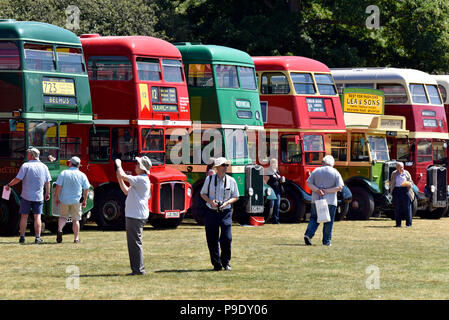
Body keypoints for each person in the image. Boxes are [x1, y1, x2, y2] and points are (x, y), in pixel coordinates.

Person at [5, 147, 51, 244]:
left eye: (28, 154)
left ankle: (22, 237)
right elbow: (47, 182)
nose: (27, 156)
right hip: (38, 196)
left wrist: (9, 185)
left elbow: (18, 179)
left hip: (26, 196)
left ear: (32, 155)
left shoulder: (25, 165)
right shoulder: (44, 166)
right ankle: (37, 237)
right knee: (37, 217)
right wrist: (48, 193)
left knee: (24, 216)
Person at [200, 157, 239, 271]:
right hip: (211, 212)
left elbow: (236, 196)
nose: (226, 167)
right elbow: (203, 194)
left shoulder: (231, 181)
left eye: (227, 165)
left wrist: (226, 203)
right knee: (212, 239)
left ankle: (226, 262)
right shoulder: (209, 179)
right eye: (223, 165)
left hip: (225, 212)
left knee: (227, 238)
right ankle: (216, 264)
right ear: (217, 167)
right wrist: (211, 202)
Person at [115, 156, 152, 276]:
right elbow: (126, 190)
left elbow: (123, 175)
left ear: (142, 168)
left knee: (135, 243)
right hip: (134, 214)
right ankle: (136, 269)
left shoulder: (141, 179)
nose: (135, 165)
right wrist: (119, 178)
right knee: (133, 243)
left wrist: (119, 164)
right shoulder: (140, 179)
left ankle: (139, 270)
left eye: (137, 164)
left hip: (136, 215)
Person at [304, 155, 344, 246]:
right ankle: (326, 241)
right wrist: (327, 191)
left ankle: (308, 235)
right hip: (330, 201)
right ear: (332, 163)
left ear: (323, 162)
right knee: (329, 221)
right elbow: (340, 187)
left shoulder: (316, 171)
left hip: (316, 199)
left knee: (314, 218)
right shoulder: (335, 172)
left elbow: (308, 183)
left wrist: (317, 190)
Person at [54, 156, 91, 243]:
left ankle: (59, 230)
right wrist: (85, 200)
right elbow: (86, 189)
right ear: (78, 165)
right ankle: (76, 238)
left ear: (70, 163)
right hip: (76, 200)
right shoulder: (82, 175)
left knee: (63, 217)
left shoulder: (64, 173)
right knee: (76, 219)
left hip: (64, 199)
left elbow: (58, 187)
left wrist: (56, 198)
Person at [389, 161, 414, 227]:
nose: (402, 168)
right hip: (397, 191)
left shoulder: (406, 173)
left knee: (407, 207)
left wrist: (408, 184)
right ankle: (398, 224)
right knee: (397, 208)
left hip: (405, 190)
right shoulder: (394, 173)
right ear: (397, 168)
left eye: (402, 167)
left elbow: (411, 182)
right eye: (400, 167)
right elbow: (392, 183)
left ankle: (408, 224)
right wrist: (391, 193)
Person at [264, 158, 284, 224]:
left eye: (276, 163)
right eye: (273, 163)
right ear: (270, 164)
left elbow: (278, 179)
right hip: (271, 191)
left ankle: (276, 220)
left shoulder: (277, 171)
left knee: (277, 205)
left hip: (277, 190)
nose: (275, 164)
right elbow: (265, 182)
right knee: (271, 205)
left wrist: (281, 180)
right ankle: (268, 219)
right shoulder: (268, 171)